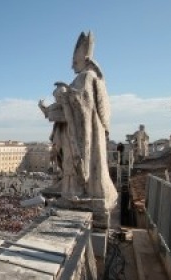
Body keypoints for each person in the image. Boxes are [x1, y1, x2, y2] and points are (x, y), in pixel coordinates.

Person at [38, 31, 117, 210]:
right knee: (70, 165)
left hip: (81, 132)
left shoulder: (86, 77)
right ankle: (75, 192)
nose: (72, 65)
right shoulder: (90, 77)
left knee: (72, 165)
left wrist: (64, 95)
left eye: (74, 61)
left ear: (85, 59)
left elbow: (81, 104)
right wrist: (53, 106)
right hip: (83, 129)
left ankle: (75, 194)